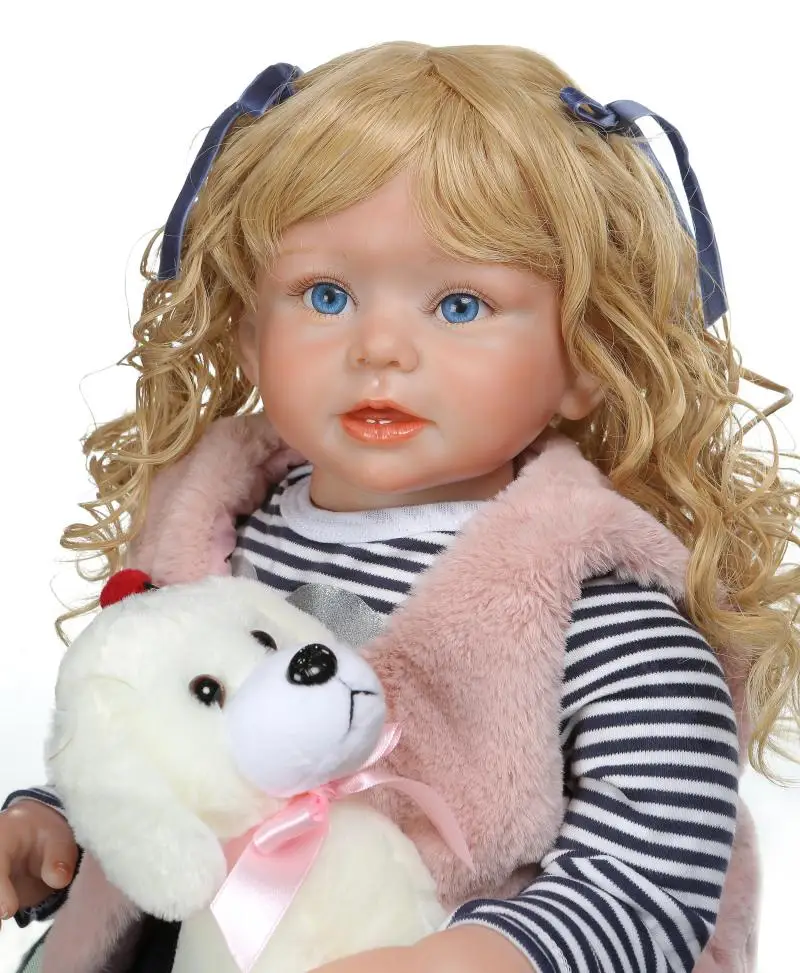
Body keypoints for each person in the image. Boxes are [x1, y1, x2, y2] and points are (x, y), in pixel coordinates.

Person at [1, 41, 798, 973]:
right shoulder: (209, 540)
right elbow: (164, 741)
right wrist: (58, 821)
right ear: (251, 331)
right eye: (325, 294)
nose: (379, 347)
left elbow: (650, 881)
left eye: (460, 305)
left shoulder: (599, 616)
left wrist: (463, 960)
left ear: (588, 358)